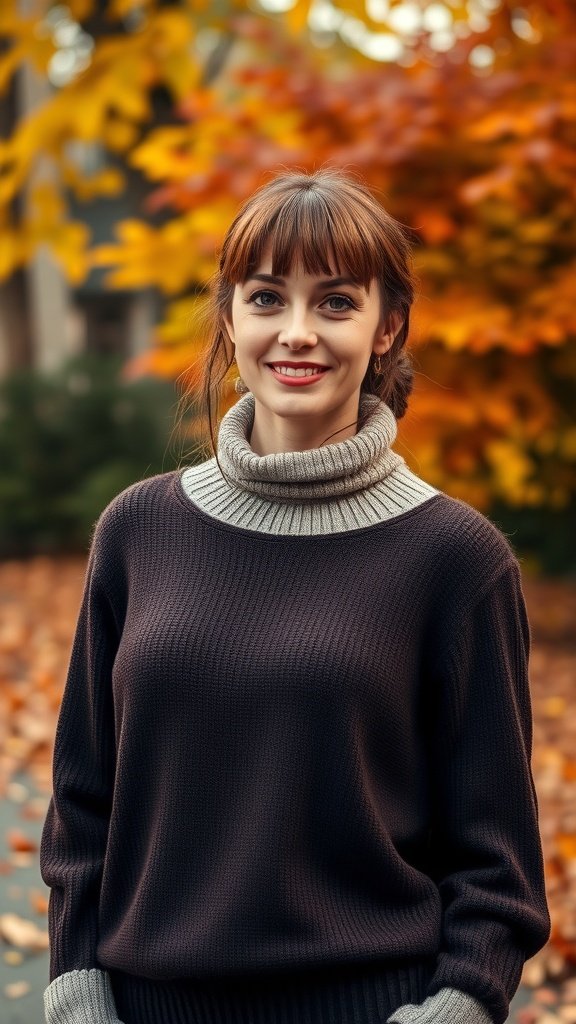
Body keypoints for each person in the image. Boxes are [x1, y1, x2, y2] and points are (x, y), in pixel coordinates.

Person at [40, 168, 550, 1024]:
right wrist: (76, 988)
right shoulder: (137, 531)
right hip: (140, 1009)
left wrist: (453, 1010)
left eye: (338, 303)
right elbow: (83, 801)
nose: (298, 333)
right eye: (268, 297)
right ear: (232, 317)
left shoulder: (456, 559)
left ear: (388, 328)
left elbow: (498, 864)